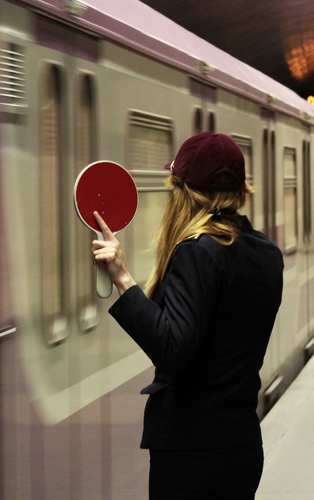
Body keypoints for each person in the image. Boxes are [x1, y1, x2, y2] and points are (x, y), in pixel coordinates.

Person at [92, 132, 284, 500]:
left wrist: (123, 279)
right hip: (241, 444)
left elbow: (173, 350)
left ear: (185, 191)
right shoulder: (266, 253)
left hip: (193, 454)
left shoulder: (198, 253)